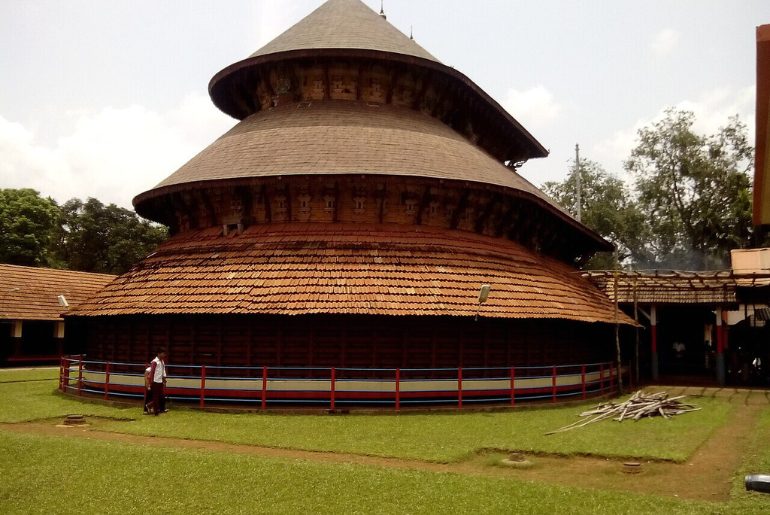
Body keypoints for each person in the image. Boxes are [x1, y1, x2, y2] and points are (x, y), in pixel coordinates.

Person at [148, 348, 168, 415]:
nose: (164, 355)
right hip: (155, 381)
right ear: (159, 353)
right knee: (156, 397)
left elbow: (163, 371)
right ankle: (156, 412)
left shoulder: (162, 361)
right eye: (163, 353)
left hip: (160, 381)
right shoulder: (154, 362)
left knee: (161, 396)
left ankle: (150, 406)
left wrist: (164, 379)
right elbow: (152, 372)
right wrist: (151, 382)